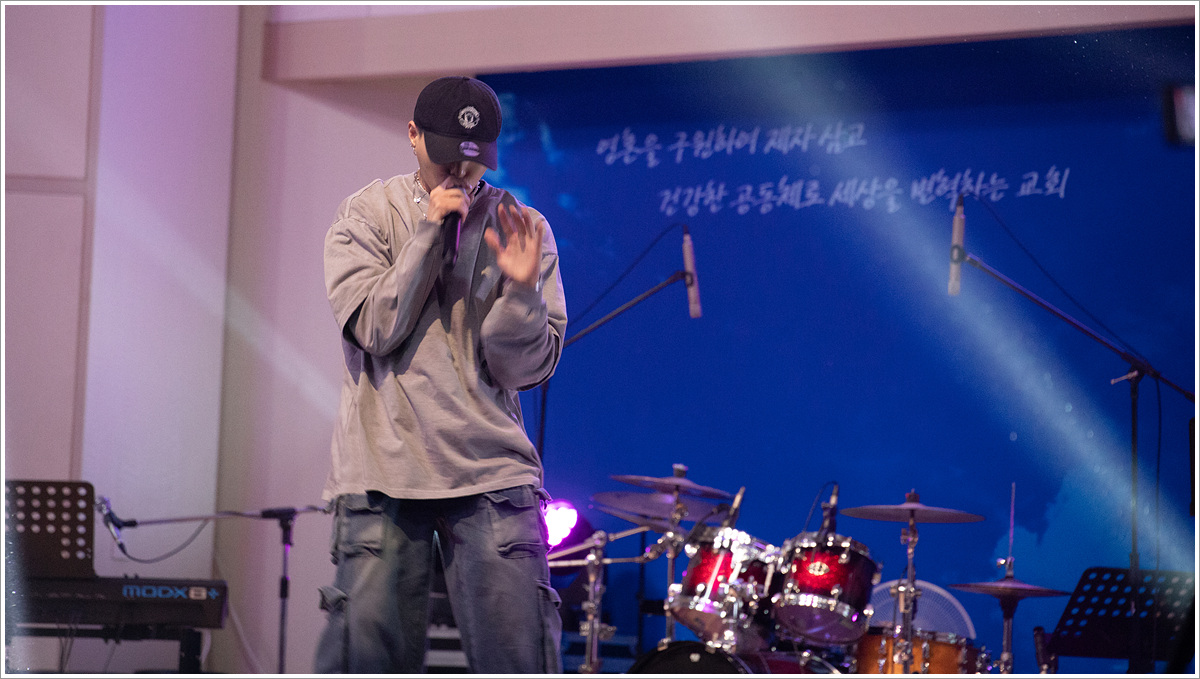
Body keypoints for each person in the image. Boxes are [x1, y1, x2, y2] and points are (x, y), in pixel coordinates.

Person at [315, 76, 567, 674]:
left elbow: (522, 370)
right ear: (412, 135)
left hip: (491, 473)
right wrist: (428, 233)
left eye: (474, 159)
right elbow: (375, 329)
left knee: (520, 660)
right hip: (384, 471)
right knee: (366, 662)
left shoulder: (521, 225)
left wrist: (523, 292)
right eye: (446, 153)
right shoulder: (367, 215)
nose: (459, 170)